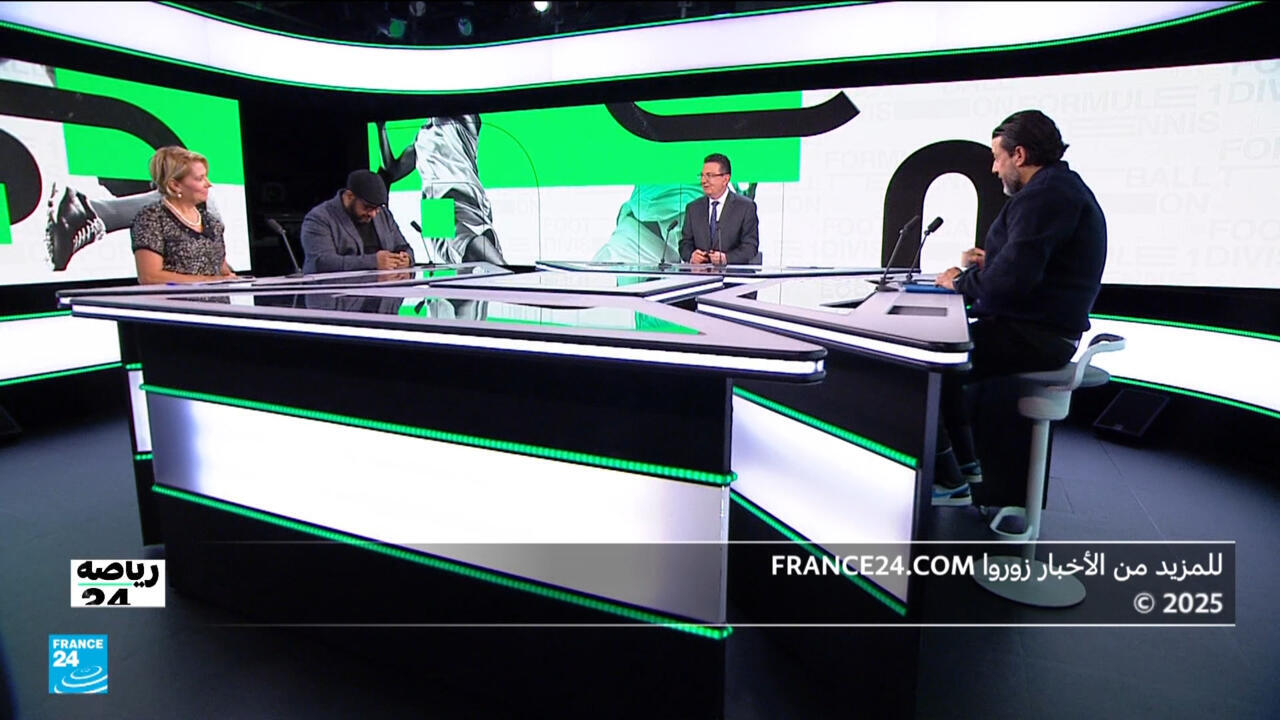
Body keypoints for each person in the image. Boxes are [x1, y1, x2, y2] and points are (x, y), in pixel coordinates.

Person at [931, 110, 1107, 506]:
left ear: (1020, 155)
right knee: (947, 356)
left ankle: (948, 479)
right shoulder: (1058, 188)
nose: (994, 169)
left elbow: (1009, 285)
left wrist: (959, 281)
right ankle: (966, 467)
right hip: (1037, 330)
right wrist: (990, 262)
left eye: (997, 158)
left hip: (1034, 337)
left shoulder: (1046, 194)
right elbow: (1032, 268)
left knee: (932, 361)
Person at [130, 146, 238, 284]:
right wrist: (211, 281)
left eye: (206, 177)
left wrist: (232, 278)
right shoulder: (152, 219)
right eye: (200, 178)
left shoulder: (211, 222)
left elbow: (221, 270)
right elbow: (150, 277)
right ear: (175, 185)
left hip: (216, 298)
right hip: (176, 298)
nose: (209, 184)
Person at [300, 170, 413, 273]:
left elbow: (403, 247)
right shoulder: (319, 218)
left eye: (377, 208)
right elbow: (322, 262)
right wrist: (373, 262)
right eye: (367, 207)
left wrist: (406, 258)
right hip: (338, 288)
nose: (373, 214)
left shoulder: (383, 214)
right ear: (350, 196)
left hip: (384, 286)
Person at [679, 153, 760, 265]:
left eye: (710, 175)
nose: (703, 181)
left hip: (732, 274)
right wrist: (691, 256)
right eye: (702, 175)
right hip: (700, 274)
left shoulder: (745, 207)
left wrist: (727, 258)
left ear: (725, 179)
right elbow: (684, 244)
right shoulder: (693, 208)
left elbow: (750, 247)